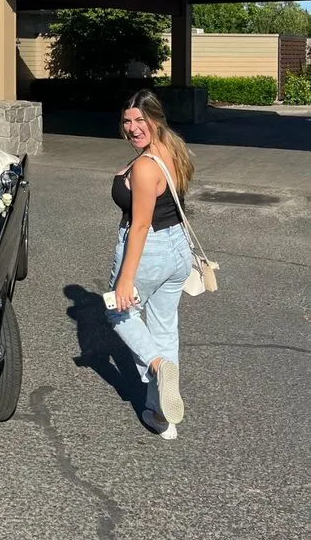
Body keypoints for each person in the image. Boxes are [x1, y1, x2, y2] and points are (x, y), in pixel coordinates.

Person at [108, 89, 194, 440]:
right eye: (127, 121)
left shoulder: (145, 167)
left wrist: (125, 279)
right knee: (163, 329)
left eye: (140, 120)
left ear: (156, 119)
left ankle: (158, 367)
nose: (132, 128)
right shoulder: (174, 150)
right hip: (177, 249)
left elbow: (141, 225)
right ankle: (162, 416)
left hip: (151, 248)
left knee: (118, 311)